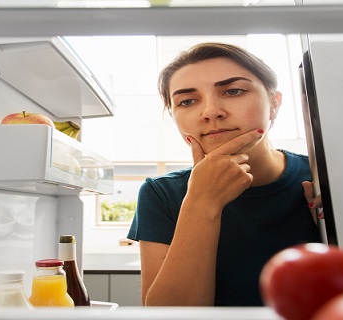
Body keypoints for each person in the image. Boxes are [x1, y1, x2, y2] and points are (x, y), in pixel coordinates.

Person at [126, 42, 323, 307]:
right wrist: (201, 202)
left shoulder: (324, 176)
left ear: (274, 104)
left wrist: (338, 236)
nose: (210, 112)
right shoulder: (161, 193)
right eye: (187, 101)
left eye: (233, 91)